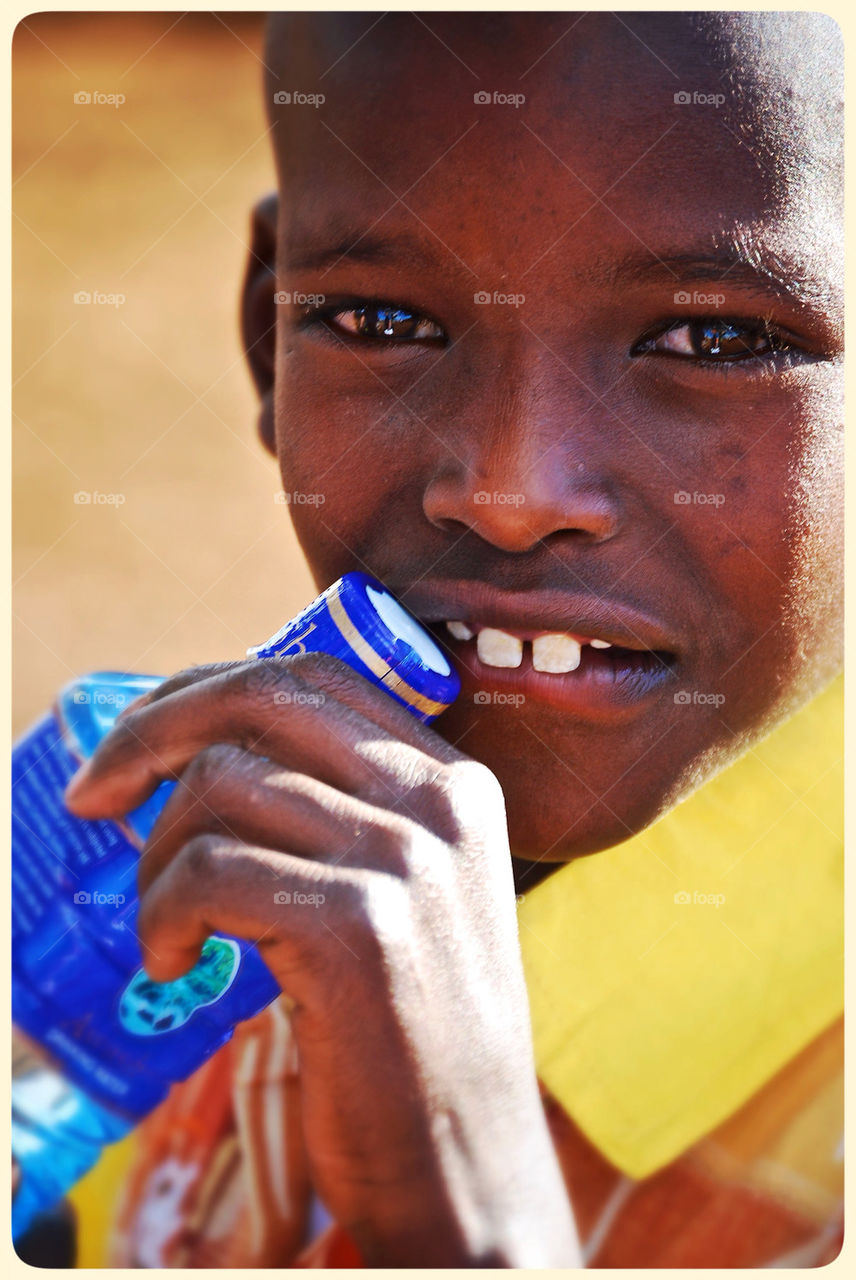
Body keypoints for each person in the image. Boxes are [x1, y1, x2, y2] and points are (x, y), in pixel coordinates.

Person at [63, 10, 843, 1267]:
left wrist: (473, 1234)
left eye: (716, 340)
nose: (510, 487)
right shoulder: (171, 900)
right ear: (268, 327)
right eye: (382, 322)